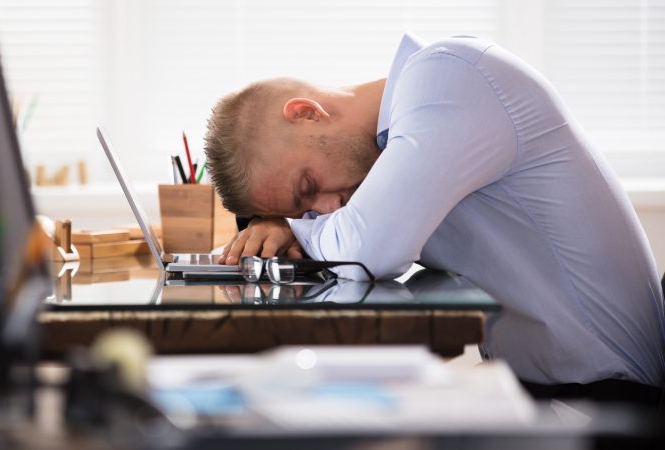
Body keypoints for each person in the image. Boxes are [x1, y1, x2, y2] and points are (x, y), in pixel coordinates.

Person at [203, 33, 665, 403]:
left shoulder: (448, 77)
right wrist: (286, 225)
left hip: (606, 402)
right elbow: (380, 245)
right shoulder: (400, 143)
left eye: (308, 187)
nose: (326, 209)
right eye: (305, 209)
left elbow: (371, 249)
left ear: (306, 113)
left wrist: (295, 228)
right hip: (546, 389)